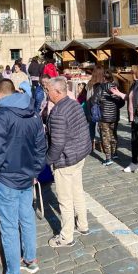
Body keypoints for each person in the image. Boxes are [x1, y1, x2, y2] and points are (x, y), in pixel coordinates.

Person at [0, 79, 47, 274]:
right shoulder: (34, 114)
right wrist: (35, 172)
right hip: (25, 176)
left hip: (6, 179)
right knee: (26, 218)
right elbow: (41, 148)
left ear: (0, 95)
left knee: (10, 227)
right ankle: (30, 260)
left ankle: (13, 273)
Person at [45, 77, 92, 247]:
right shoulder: (73, 104)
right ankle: (83, 225)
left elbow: (57, 143)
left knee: (65, 199)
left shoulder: (58, 112)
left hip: (66, 160)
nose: (46, 93)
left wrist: (48, 160)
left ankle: (66, 236)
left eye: (48, 90)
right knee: (77, 191)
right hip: (79, 156)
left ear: (57, 92)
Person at [95, 70, 125, 166]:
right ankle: (115, 153)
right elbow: (122, 102)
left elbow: (95, 100)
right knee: (113, 134)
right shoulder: (115, 88)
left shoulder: (100, 87)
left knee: (105, 136)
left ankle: (108, 158)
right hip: (114, 115)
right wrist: (114, 107)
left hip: (104, 116)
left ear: (104, 78)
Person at [86, 65, 105, 150]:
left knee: (91, 126)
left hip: (91, 108)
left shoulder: (90, 83)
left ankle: (92, 143)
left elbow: (88, 97)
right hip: (102, 109)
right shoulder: (104, 83)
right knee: (102, 128)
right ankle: (102, 144)